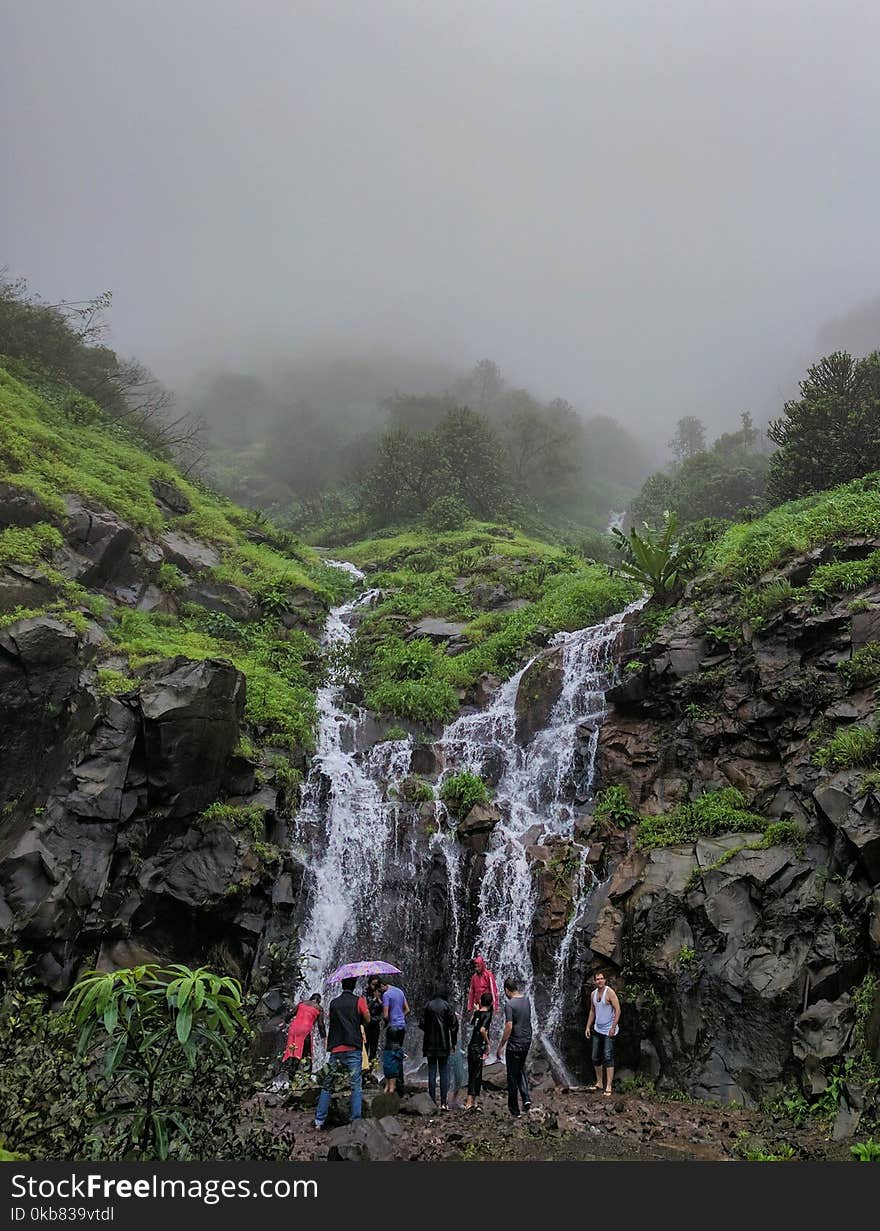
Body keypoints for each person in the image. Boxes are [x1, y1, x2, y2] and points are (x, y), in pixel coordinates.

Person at [313, 977, 371, 1129]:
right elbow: (368, 1019)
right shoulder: (359, 1001)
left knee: (327, 1084)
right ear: (354, 986)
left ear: (341, 985)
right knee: (355, 1085)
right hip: (353, 1047)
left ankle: (319, 1121)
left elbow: (333, 1020)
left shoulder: (333, 1003)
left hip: (336, 1048)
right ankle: (355, 1120)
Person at [496, 976, 532, 1118]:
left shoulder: (510, 1004)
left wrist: (501, 1045)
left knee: (512, 1075)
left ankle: (514, 1110)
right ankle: (526, 1099)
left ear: (506, 989)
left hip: (515, 1044)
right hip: (526, 1041)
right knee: (521, 1070)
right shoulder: (527, 1000)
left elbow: (509, 1026)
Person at [420, 986, 458, 1110]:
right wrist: (453, 1043)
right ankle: (443, 1102)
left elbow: (422, 1024)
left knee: (431, 1072)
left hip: (430, 1044)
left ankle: (431, 1101)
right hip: (443, 1044)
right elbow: (453, 1025)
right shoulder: (447, 1006)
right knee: (443, 1072)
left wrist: (429, 1030)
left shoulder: (427, 1006)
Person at [584, 969, 621, 1096]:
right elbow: (592, 1011)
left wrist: (613, 1027)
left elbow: (618, 1010)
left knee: (608, 1057)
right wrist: (588, 1026)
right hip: (597, 1029)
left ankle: (609, 1086)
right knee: (595, 1057)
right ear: (594, 981)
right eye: (597, 979)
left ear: (605, 980)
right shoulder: (593, 994)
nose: (599, 981)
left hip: (609, 1031)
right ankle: (599, 1082)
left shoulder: (609, 992)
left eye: (601, 979)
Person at [282, 993, 324, 1077]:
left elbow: (291, 1014)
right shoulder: (319, 1008)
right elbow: (320, 1024)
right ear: (319, 1001)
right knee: (307, 1053)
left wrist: (285, 1022)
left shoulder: (302, 1003)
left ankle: (290, 1074)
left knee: (292, 1050)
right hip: (305, 1030)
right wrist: (324, 1036)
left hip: (293, 1028)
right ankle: (306, 1075)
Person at [464, 990, 493, 1110]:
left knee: (474, 1073)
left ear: (480, 1001)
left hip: (472, 1046)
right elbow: (482, 1030)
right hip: (478, 1047)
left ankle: (473, 1101)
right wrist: (488, 1042)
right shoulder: (488, 1014)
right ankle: (470, 1101)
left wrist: (476, 1011)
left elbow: (472, 1025)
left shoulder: (477, 1013)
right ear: (491, 1003)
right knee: (476, 1074)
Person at [381, 977, 409, 1048]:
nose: (380, 990)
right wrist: (401, 1017)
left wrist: (388, 1021)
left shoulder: (386, 995)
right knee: (399, 1048)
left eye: (380, 988)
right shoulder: (400, 991)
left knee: (390, 1050)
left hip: (393, 1026)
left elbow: (385, 1015)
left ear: (383, 985)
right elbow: (407, 1009)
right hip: (402, 1025)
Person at [364, 975, 384, 1069]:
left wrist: (379, 999)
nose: (375, 987)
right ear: (369, 984)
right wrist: (374, 999)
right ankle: (364, 1068)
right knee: (365, 1046)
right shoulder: (365, 994)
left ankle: (371, 1068)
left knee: (374, 1047)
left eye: (377, 984)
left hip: (376, 1024)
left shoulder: (381, 994)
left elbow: (385, 1008)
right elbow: (364, 1008)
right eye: (373, 984)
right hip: (367, 1024)